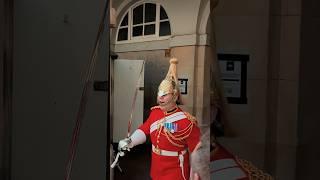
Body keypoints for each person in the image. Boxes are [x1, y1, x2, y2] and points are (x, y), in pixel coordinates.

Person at [118, 58, 201, 180]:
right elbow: (145, 129)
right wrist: (130, 141)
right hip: (156, 171)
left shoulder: (187, 122)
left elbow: (198, 153)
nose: (160, 98)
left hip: (176, 174)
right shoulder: (155, 113)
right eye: (159, 93)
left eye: (165, 94)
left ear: (175, 96)